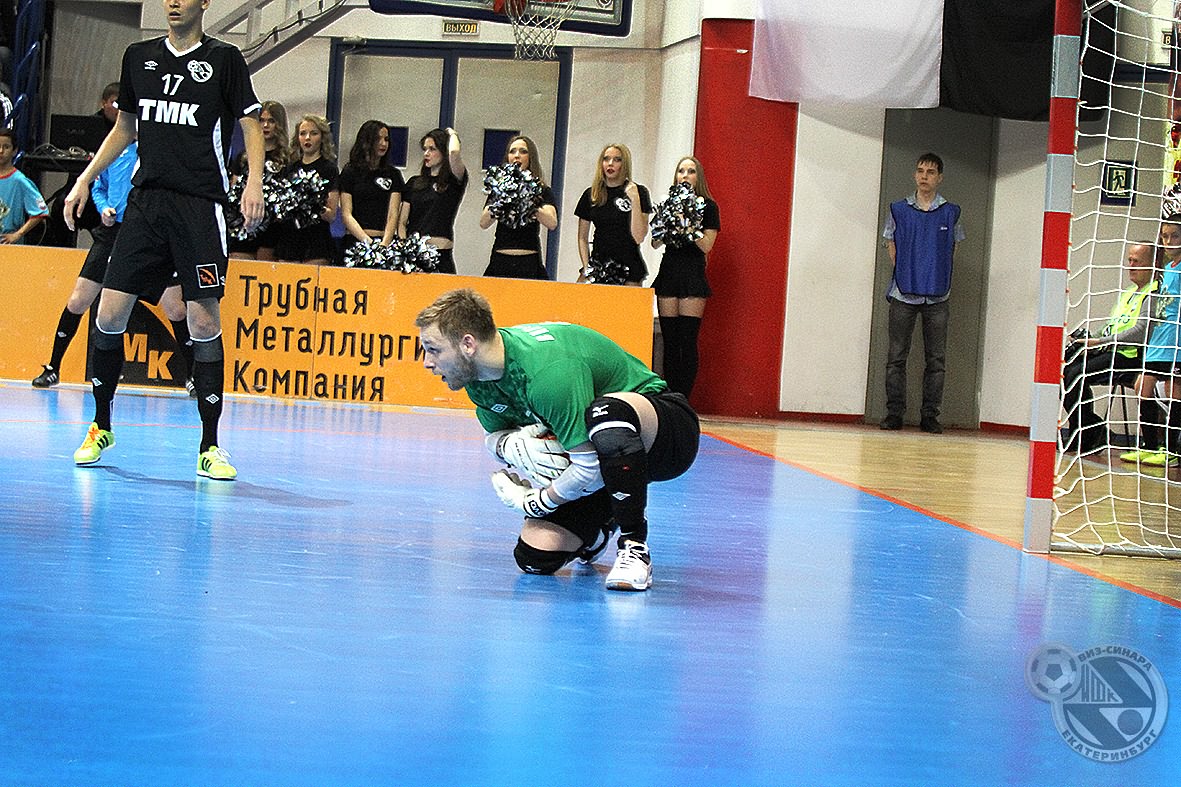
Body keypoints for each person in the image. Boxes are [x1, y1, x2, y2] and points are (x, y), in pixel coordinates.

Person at [62, 0, 265, 481]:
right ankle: (101, 425)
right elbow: (125, 127)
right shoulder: (139, 56)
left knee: (202, 319)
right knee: (109, 313)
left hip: (199, 206)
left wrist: (254, 182)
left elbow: (250, 122)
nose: (174, 2)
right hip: (146, 204)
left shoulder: (224, 58)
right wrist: (85, 178)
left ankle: (210, 445)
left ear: (204, 3)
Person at [415, 288, 700, 592]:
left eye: (433, 350)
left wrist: (539, 501)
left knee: (606, 416)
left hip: (665, 433)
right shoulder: (479, 378)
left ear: (468, 344)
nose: (427, 363)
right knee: (535, 556)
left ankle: (634, 546)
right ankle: (599, 527)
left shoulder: (547, 373)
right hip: (603, 460)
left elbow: (588, 467)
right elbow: (493, 436)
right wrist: (509, 445)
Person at [32, 140, 195, 392]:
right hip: (113, 232)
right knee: (78, 300)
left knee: (175, 308)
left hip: (151, 233)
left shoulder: (161, 147)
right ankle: (53, 367)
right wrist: (103, 208)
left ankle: (193, 375)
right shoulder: (116, 148)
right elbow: (99, 188)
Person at [880, 152, 965, 434]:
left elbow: (953, 248)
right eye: (920, 171)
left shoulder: (951, 212)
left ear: (939, 177)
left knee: (936, 360)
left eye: (930, 172)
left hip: (938, 297)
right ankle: (894, 414)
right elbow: (890, 242)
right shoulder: (898, 210)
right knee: (896, 357)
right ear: (914, 175)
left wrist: (935, 272)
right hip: (903, 295)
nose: (924, 176)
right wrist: (907, 270)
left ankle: (930, 416)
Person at [1061, 242, 1157, 453]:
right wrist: (1089, 339)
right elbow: (1111, 326)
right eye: (1129, 260)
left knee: (1076, 374)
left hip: (1132, 356)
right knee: (1065, 371)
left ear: (1152, 264)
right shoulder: (1129, 292)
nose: (1131, 266)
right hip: (1112, 351)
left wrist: (1101, 342)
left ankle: (1089, 433)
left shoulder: (1154, 293)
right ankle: (1089, 429)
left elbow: (1141, 332)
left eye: (1137, 261)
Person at [650, 155, 720, 397]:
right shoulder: (667, 204)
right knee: (669, 341)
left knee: (687, 340)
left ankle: (684, 398)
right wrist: (666, 221)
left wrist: (689, 225)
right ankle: (670, 397)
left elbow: (707, 245)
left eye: (691, 171)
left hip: (692, 274)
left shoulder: (708, 207)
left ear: (698, 177)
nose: (685, 176)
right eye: (681, 171)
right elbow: (655, 243)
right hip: (669, 271)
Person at [1121, 220, 1181, 468]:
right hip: (1159, 338)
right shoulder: (1167, 268)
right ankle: (1149, 446)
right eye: (1165, 236)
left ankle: (1171, 450)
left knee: (1174, 391)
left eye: (1175, 236)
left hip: (1175, 341)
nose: (1169, 241)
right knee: (1142, 387)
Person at [478, 135, 557, 279]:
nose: (517, 155)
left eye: (523, 151)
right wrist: (502, 196)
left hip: (529, 261)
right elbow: (483, 223)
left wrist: (527, 198)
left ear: (530, 157)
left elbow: (552, 222)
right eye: (512, 151)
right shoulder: (499, 190)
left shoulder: (542, 190)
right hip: (500, 260)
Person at [575, 143, 651, 286]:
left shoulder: (639, 192)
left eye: (617, 160)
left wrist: (634, 199)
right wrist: (587, 267)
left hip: (629, 267)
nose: (610, 163)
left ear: (624, 164)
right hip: (599, 265)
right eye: (606, 159)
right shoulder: (592, 194)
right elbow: (582, 237)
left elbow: (639, 236)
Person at [401, 127, 468, 274]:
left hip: (441, 254)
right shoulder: (414, 183)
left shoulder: (453, 181)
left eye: (432, 149)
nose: (426, 153)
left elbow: (454, 152)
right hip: (415, 254)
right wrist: (406, 249)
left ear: (443, 151)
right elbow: (402, 222)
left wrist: (452, 134)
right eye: (425, 149)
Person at [274, 114, 339, 265]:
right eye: (303, 133)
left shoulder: (329, 169)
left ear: (322, 138)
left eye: (313, 133)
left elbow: (331, 215)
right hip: (289, 240)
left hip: (316, 241)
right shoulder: (289, 169)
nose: (307, 138)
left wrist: (311, 204)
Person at [229, 99, 289, 260]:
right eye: (261, 121)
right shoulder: (242, 158)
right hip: (245, 222)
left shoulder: (288, 159)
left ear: (279, 124)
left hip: (274, 227)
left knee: (265, 269)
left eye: (271, 121)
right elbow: (234, 190)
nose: (266, 125)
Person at [338, 120, 403, 261]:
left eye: (386, 139)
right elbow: (346, 214)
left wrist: (384, 245)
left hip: (383, 243)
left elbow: (393, 213)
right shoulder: (350, 171)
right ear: (366, 141)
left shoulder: (393, 174)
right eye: (378, 139)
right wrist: (368, 242)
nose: (383, 144)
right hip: (355, 241)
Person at [0, 127, 46, 243]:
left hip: (7, 243)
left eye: (6, 147)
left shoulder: (20, 181)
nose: (1, 151)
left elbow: (40, 212)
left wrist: (17, 234)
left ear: (14, 151)